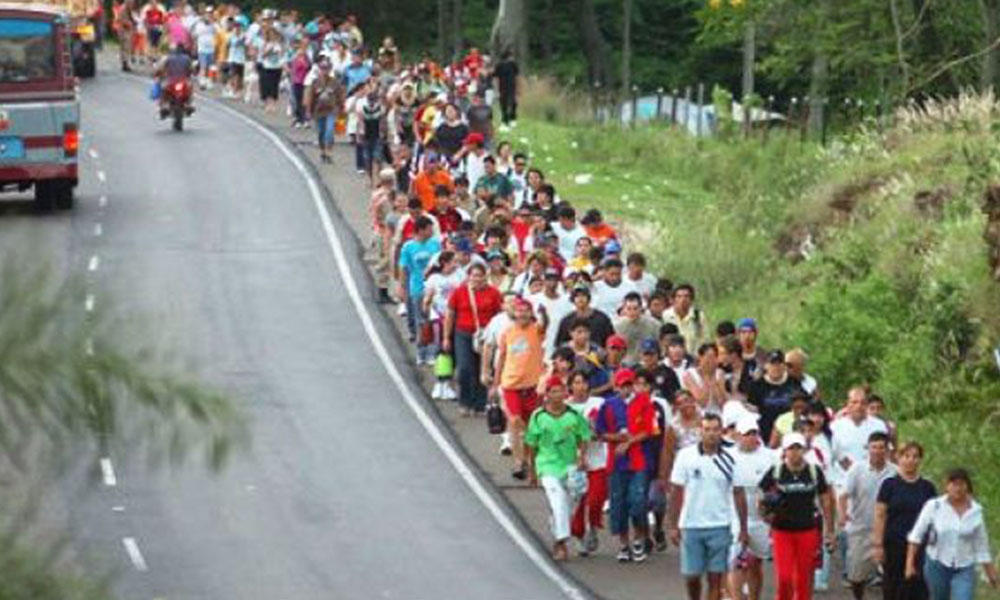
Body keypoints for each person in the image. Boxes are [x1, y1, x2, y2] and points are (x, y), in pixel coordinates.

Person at [668, 413, 749, 600]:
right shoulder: (685, 456)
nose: (711, 434)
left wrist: (743, 529)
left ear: (721, 432)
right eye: (707, 430)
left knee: (715, 577)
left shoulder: (731, 458)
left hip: (720, 525)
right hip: (691, 525)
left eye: (715, 430)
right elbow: (677, 491)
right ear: (700, 432)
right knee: (692, 576)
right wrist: (672, 525)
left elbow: (738, 493)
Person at [758, 432, 836, 600]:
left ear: (804, 450)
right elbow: (762, 497)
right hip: (782, 531)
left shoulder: (814, 471)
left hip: (807, 530)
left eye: (798, 448)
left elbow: (825, 501)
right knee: (785, 578)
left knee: (803, 579)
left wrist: (830, 530)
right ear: (784, 451)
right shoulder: (776, 472)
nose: (795, 452)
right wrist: (765, 515)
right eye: (791, 448)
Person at [524, 375, 592, 562]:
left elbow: (584, 436)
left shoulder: (573, 415)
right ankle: (561, 544)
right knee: (559, 500)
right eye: (553, 391)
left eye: (560, 391)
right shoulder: (539, 416)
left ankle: (557, 529)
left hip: (569, 465)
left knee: (569, 505)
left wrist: (582, 457)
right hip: (547, 465)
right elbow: (531, 444)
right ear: (547, 394)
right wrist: (531, 470)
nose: (557, 395)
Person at [906, 468, 999, 600]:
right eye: (954, 484)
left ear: (967, 486)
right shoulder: (934, 506)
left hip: (964, 566)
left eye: (961, 484)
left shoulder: (976, 512)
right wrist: (909, 564)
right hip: (937, 564)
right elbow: (916, 535)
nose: (958, 488)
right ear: (947, 486)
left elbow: (981, 546)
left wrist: (991, 573)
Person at [596, 369, 655, 563]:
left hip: (639, 461)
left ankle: (638, 539)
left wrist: (629, 442)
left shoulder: (644, 402)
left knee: (638, 501)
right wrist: (618, 438)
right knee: (618, 504)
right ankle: (623, 543)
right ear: (616, 387)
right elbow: (600, 432)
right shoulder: (608, 405)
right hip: (617, 463)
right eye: (623, 386)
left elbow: (650, 429)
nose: (627, 389)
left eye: (630, 385)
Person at [872, 441, 937, 600]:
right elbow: (880, 515)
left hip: (920, 546)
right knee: (893, 587)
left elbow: (935, 518)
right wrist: (878, 545)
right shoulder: (889, 485)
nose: (910, 460)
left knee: (918, 588)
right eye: (906, 456)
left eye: (915, 457)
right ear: (898, 458)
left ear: (920, 460)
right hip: (893, 544)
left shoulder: (927, 487)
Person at [494, 298, 547, 480]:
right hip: (511, 385)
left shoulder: (536, 330)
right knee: (515, 421)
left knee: (532, 427)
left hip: (532, 386)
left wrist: (543, 314)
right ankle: (519, 462)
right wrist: (495, 383)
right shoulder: (507, 332)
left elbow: (544, 325)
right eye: (520, 310)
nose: (523, 314)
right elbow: (501, 357)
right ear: (514, 313)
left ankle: (532, 463)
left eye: (526, 311)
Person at [839, 431, 897, 599]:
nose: (878, 451)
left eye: (881, 447)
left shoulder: (894, 472)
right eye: (874, 447)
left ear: (887, 450)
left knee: (890, 573)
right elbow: (843, 495)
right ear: (868, 449)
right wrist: (842, 515)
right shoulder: (857, 469)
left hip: (887, 529)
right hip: (860, 527)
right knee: (857, 575)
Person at [443, 263, 502, 415]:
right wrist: (446, 337)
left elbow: (499, 315)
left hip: (485, 336)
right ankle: (465, 400)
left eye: (480, 275)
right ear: (469, 277)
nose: (477, 279)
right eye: (474, 275)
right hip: (463, 333)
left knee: (482, 368)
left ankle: (480, 403)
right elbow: (450, 315)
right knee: (464, 368)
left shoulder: (493, 293)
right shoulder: (459, 292)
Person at [728, 415, 775, 600]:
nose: (751, 437)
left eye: (754, 433)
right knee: (736, 562)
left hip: (760, 518)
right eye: (747, 434)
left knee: (755, 563)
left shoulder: (769, 457)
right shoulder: (728, 457)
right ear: (738, 436)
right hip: (735, 516)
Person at [568, 370, 609, 556]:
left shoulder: (599, 404)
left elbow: (608, 425)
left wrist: (597, 431)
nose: (581, 386)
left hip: (597, 460)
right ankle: (579, 535)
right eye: (576, 382)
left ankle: (593, 526)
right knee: (577, 502)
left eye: (584, 382)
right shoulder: (564, 407)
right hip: (573, 463)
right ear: (570, 386)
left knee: (595, 499)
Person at [397, 217, 441, 365]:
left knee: (433, 321)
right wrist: (402, 287)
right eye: (429, 229)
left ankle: (432, 352)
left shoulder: (435, 244)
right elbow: (403, 268)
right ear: (421, 230)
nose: (432, 231)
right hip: (417, 288)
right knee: (421, 322)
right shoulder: (408, 247)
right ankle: (421, 352)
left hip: (434, 289)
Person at [304, 59, 345, 164]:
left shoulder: (335, 82)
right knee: (321, 132)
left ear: (330, 69)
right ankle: (322, 151)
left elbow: (340, 96)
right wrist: (308, 111)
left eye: (326, 68)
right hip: (319, 111)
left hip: (331, 111)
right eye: (322, 68)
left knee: (329, 131)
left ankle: (329, 152)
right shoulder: (315, 83)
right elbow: (310, 97)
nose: (324, 71)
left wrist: (342, 109)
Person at [612, 293, 661, 365]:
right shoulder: (617, 326)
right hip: (625, 362)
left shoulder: (654, 324)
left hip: (646, 362)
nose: (632, 312)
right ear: (624, 309)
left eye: (635, 308)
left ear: (641, 308)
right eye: (629, 308)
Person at [663, 284, 708, 354]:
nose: (683, 300)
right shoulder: (666, 316)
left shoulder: (698, 316)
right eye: (679, 296)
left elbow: (704, 339)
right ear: (674, 299)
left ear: (691, 299)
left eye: (686, 296)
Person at [493, 50, 519, 126]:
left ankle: (507, 119)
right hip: (510, 86)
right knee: (511, 102)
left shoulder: (501, 65)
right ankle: (510, 118)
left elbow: (495, 75)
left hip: (504, 86)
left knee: (506, 103)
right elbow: (517, 74)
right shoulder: (511, 64)